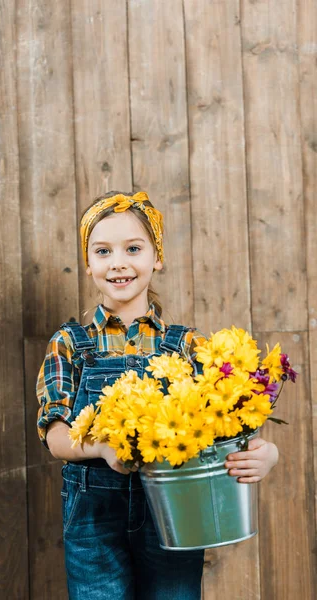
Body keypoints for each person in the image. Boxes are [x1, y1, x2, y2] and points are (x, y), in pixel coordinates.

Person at [36, 190, 279, 600]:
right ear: (89, 264)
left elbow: (224, 422)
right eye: (102, 251)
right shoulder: (69, 343)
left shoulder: (187, 346)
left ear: (157, 257)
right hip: (94, 518)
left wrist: (262, 452)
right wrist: (102, 448)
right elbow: (55, 435)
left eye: (133, 248)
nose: (118, 262)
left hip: (176, 508)